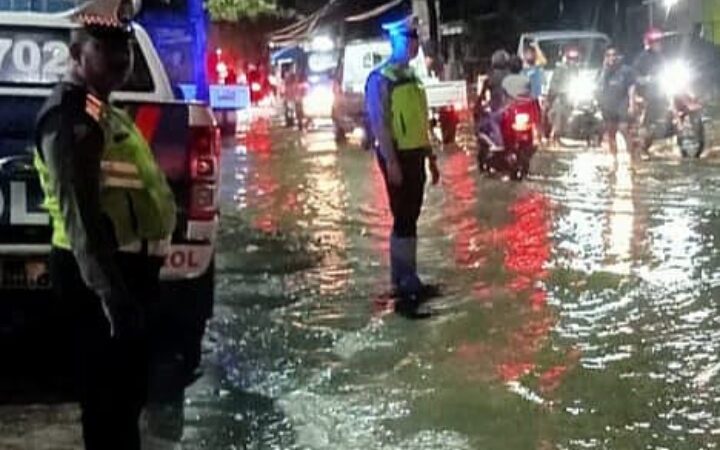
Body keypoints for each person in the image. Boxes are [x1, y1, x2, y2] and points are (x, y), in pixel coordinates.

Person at [33, 1, 177, 448]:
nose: (119, 58)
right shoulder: (69, 117)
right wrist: (112, 296)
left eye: (125, 48)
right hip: (98, 279)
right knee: (106, 404)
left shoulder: (100, 110)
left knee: (125, 400)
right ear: (76, 55)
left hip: (125, 274)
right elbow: (81, 218)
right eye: (104, 48)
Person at [365, 15, 441, 315]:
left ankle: (409, 276)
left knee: (412, 215)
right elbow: (380, 124)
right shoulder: (381, 78)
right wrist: (391, 161)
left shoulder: (413, 76)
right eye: (412, 40)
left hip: (416, 155)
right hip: (396, 156)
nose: (416, 45)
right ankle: (401, 280)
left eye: (417, 40)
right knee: (403, 216)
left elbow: (423, 120)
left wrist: (432, 158)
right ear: (397, 41)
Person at [632, 28, 668, 158]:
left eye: (659, 42)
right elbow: (634, 76)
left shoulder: (662, 58)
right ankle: (641, 148)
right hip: (647, 95)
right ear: (649, 43)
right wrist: (647, 79)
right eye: (655, 42)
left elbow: (668, 70)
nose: (659, 44)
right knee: (646, 123)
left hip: (662, 93)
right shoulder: (642, 58)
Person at [599, 46, 635, 156]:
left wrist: (631, 104)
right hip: (608, 106)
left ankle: (631, 155)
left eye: (614, 55)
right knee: (611, 133)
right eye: (608, 55)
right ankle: (614, 157)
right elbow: (599, 87)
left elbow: (631, 87)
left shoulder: (626, 71)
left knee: (624, 129)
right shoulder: (603, 72)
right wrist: (604, 69)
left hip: (622, 104)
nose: (612, 58)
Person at [476, 49, 511, 148]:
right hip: (511, 111)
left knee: (488, 122)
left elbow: (481, 96)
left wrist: (478, 105)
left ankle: (499, 143)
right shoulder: (511, 75)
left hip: (498, 111)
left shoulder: (491, 78)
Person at [547, 46, 581, 141]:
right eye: (571, 58)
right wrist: (556, 93)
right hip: (560, 97)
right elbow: (554, 85)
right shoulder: (560, 68)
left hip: (571, 96)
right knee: (559, 115)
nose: (573, 61)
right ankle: (554, 136)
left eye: (575, 59)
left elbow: (577, 81)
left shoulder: (576, 69)